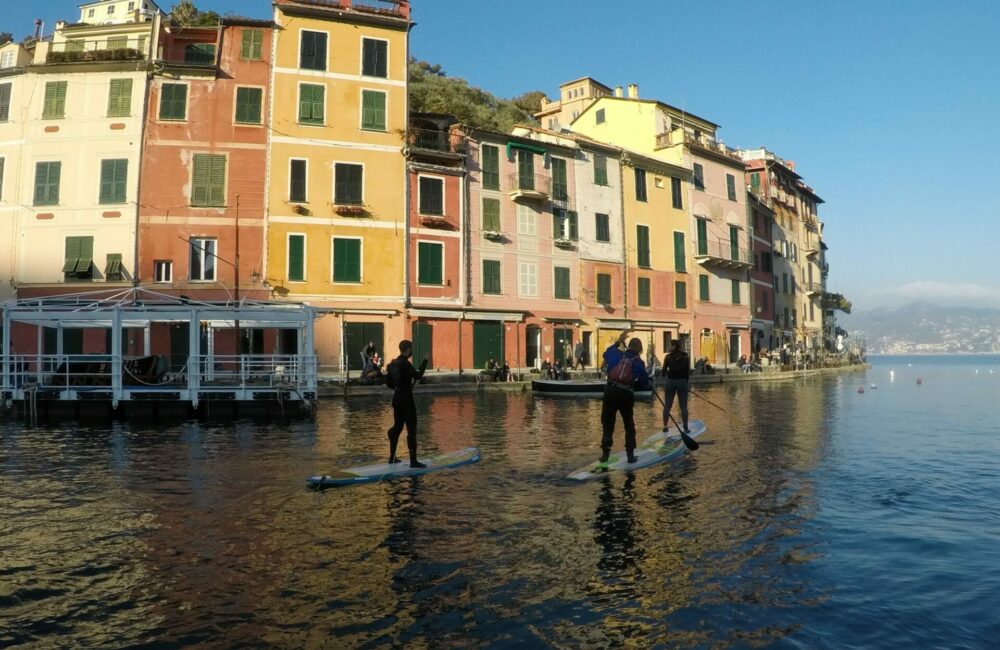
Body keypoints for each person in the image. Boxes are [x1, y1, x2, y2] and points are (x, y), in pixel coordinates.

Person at [599, 330, 651, 464]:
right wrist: (642, 384)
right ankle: (630, 455)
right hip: (625, 394)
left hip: (610, 390)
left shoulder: (616, 354)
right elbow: (644, 383)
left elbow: (605, 354)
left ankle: (605, 454)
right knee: (628, 424)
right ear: (639, 349)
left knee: (608, 423)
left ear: (627, 346)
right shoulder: (639, 362)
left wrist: (618, 342)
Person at [386, 340, 429, 468]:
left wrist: (402, 387)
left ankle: (392, 458)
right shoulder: (405, 363)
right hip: (406, 400)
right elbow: (418, 375)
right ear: (408, 349)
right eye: (411, 348)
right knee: (411, 430)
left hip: (397, 399)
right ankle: (413, 462)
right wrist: (425, 361)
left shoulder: (392, 364)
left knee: (398, 427)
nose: (412, 351)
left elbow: (389, 383)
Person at [662, 340, 691, 433]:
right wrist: (685, 383)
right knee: (683, 406)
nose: (669, 347)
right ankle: (686, 427)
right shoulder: (686, 357)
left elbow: (663, 372)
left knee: (667, 405)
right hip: (682, 382)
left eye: (671, 345)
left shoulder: (668, 357)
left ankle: (665, 426)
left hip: (670, 381)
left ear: (674, 346)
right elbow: (687, 372)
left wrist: (667, 375)